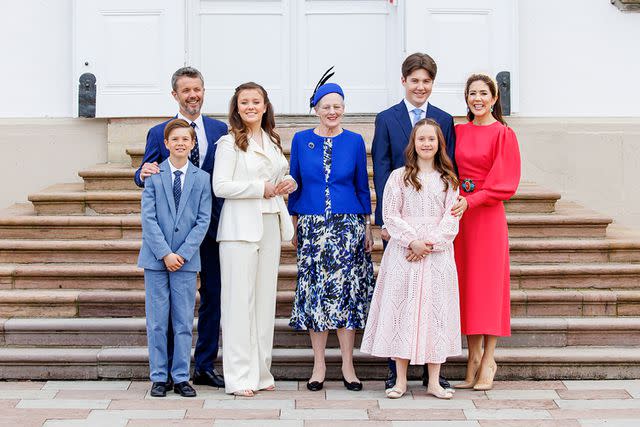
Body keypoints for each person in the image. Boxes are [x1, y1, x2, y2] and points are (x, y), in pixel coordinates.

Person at [134, 67, 227, 389]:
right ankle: (171, 371)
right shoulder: (160, 132)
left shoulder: (219, 129)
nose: (193, 95)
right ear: (175, 94)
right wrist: (141, 173)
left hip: (211, 227)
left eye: (197, 89)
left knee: (213, 297)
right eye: (186, 90)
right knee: (169, 306)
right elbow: (146, 170)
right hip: (171, 234)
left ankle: (203, 365)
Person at [371, 52, 455, 390]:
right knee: (402, 301)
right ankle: (397, 370)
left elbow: (452, 170)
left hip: (435, 233)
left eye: (426, 81)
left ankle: (434, 372)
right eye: (414, 80)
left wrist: (435, 237)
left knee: (433, 303)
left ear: (432, 84)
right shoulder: (387, 118)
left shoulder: (444, 119)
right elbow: (381, 168)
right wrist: (388, 228)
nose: (420, 87)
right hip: (401, 229)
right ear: (404, 82)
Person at [361, 119, 460, 399]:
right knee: (403, 311)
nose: (426, 144)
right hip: (404, 253)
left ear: (440, 143)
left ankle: (434, 381)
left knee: (436, 313)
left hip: (436, 255)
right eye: (421, 139)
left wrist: (430, 243)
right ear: (413, 144)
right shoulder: (399, 176)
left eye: (432, 139)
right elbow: (390, 215)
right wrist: (412, 241)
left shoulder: (448, 179)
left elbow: (451, 218)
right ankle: (400, 380)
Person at [288, 82, 375, 392]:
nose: (332, 111)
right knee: (315, 294)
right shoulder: (300, 140)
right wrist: (294, 224)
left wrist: (367, 226)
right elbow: (294, 182)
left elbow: (362, 185)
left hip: (347, 225)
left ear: (344, 108)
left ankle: (348, 366)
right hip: (312, 225)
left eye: (338, 106)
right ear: (316, 109)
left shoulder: (354, 141)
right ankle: (319, 364)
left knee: (346, 295)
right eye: (326, 106)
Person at [213, 82, 297, 397]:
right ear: (237, 108)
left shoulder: (272, 140)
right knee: (238, 303)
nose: (250, 107)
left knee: (264, 301)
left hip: (270, 224)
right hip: (239, 229)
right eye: (244, 102)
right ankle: (238, 376)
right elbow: (220, 186)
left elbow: (279, 175)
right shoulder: (229, 143)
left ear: (265, 106)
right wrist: (259, 188)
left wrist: (286, 182)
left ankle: (261, 371)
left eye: (256, 101)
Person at [450, 74, 521, 391]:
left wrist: (472, 200)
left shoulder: (504, 134)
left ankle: (489, 358)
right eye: (472, 93)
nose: (477, 98)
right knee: (466, 286)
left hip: (487, 217)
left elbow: (505, 184)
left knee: (488, 288)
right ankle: (472, 356)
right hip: (460, 217)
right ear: (466, 98)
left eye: (483, 93)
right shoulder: (457, 131)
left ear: (494, 98)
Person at [138, 119, 212, 398]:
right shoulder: (154, 176)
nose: (180, 143)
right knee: (157, 321)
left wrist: (181, 253)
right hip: (156, 259)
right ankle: (159, 376)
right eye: (175, 139)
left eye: (186, 139)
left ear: (193, 145)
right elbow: (149, 218)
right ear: (166, 144)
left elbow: (202, 220)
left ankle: (181, 376)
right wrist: (165, 253)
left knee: (182, 321)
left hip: (186, 260)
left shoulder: (201, 178)